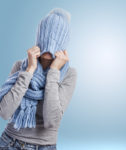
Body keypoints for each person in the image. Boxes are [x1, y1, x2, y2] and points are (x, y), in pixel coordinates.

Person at [0, 8, 77, 150]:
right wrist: (29, 70)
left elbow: (51, 121)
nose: (50, 45)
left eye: (57, 37)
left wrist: (54, 71)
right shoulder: (21, 66)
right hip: (8, 142)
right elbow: (4, 112)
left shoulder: (69, 74)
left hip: (44, 146)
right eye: (47, 34)